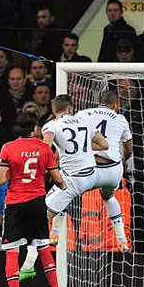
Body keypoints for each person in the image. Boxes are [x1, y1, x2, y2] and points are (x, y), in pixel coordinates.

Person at [0, 112, 67, 287]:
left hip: (15, 204)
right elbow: (57, 179)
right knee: (43, 248)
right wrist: (63, 185)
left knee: (12, 251)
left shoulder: (8, 148)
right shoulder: (44, 148)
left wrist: (14, 172)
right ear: (35, 128)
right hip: (37, 203)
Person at [41, 95, 108, 246]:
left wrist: (48, 168)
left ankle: (29, 259)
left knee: (40, 217)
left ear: (54, 110)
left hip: (73, 179)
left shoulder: (51, 125)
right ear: (70, 109)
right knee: (64, 193)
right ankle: (55, 234)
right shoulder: (85, 122)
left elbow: (45, 147)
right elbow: (104, 145)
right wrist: (83, 149)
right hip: (91, 176)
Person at [74, 90, 132, 252]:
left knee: (64, 195)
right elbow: (128, 148)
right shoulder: (120, 119)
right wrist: (124, 161)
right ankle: (121, 240)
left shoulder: (82, 114)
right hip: (111, 168)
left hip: (86, 168)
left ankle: (54, 235)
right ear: (116, 105)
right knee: (109, 198)